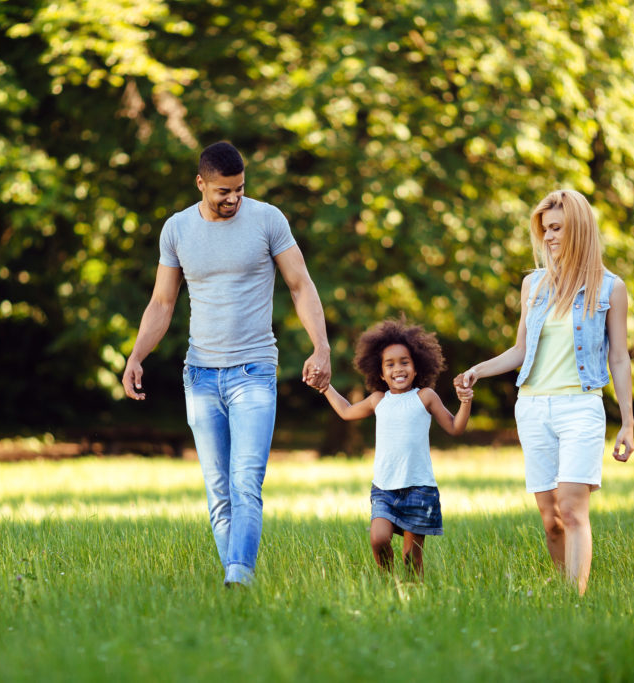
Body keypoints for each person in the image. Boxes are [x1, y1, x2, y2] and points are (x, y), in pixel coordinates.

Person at [121, 141, 331, 587]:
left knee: (245, 481)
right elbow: (162, 302)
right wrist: (136, 356)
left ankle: (238, 577)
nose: (233, 198)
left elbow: (300, 285)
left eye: (239, 189)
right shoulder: (177, 229)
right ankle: (234, 576)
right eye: (223, 191)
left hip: (254, 371)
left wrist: (321, 346)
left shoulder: (268, 220)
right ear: (201, 183)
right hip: (200, 376)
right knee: (218, 490)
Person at [454, 189, 634, 595]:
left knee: (572, 508)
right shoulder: (533, 285)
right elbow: (521, 349)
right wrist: (477, 371)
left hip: (580, 407)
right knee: (551, 519)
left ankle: (576, 599)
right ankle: (562, 593)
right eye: (545, 229)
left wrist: (628, 421)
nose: (548, 237)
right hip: (533, 407)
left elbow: (620, 357)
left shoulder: (610, 288)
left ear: (579, 230)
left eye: (556, 228)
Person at [319, 318, 474, 578]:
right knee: (378, 539)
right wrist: (325, 387)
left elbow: (455, 427)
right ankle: (388, 583)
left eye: (404, 362)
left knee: (411, 557)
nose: (398, 369)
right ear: (380, 373)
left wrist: (465, 402)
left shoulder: (425, 396)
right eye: (389, 364)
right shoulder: (378, 400)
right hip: (384, 488)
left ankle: (412, 592)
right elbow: (346, 411)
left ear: (416, 367)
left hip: (419, 488)